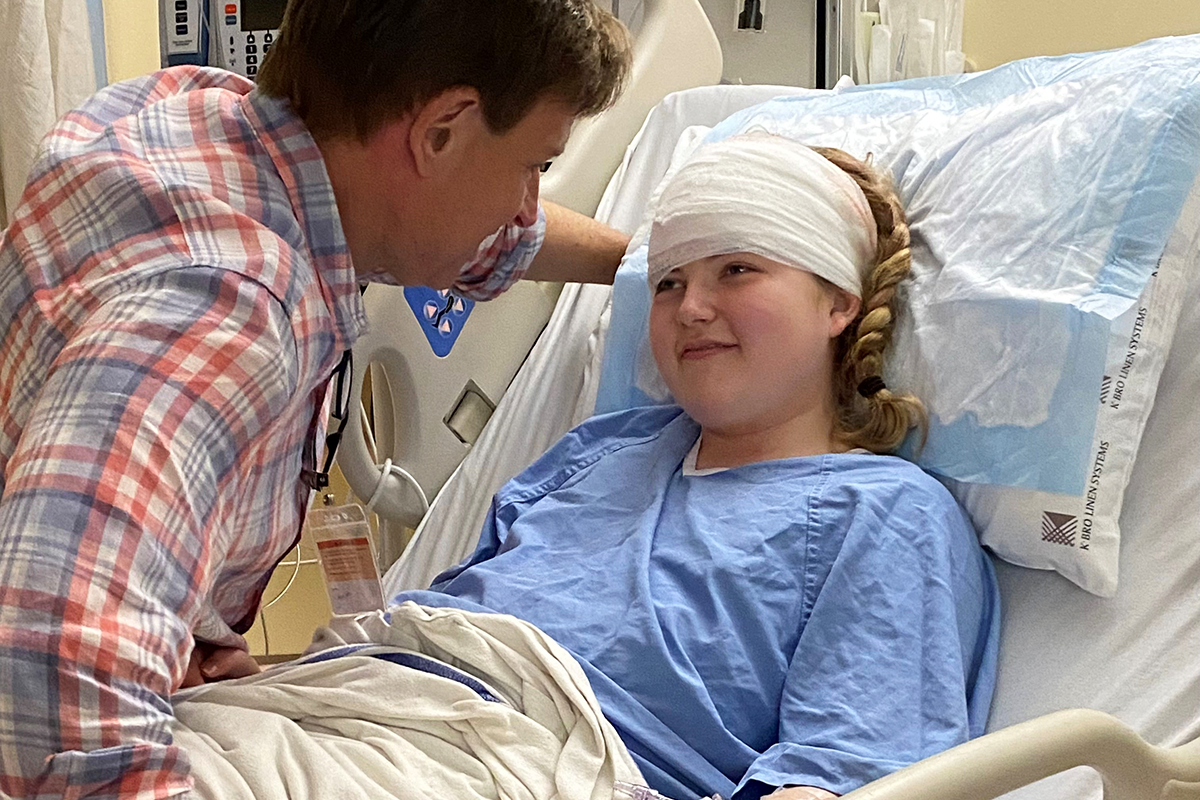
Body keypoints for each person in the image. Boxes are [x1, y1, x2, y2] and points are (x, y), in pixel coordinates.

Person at [0, 0, 632, 796]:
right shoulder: (224, 317)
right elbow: (51, 683)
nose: (525, 209)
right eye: (534, 166)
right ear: (441, 131)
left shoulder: (201, 116)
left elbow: (471, 232)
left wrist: (647, 261)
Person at [395, 134, 1001, 800]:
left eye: (736, 269)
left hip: (521, 767)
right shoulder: (599, 450)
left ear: (838, 302)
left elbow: (838, 774)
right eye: (668, 282)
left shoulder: (887, 514)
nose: (690, 309)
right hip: (380, 702)